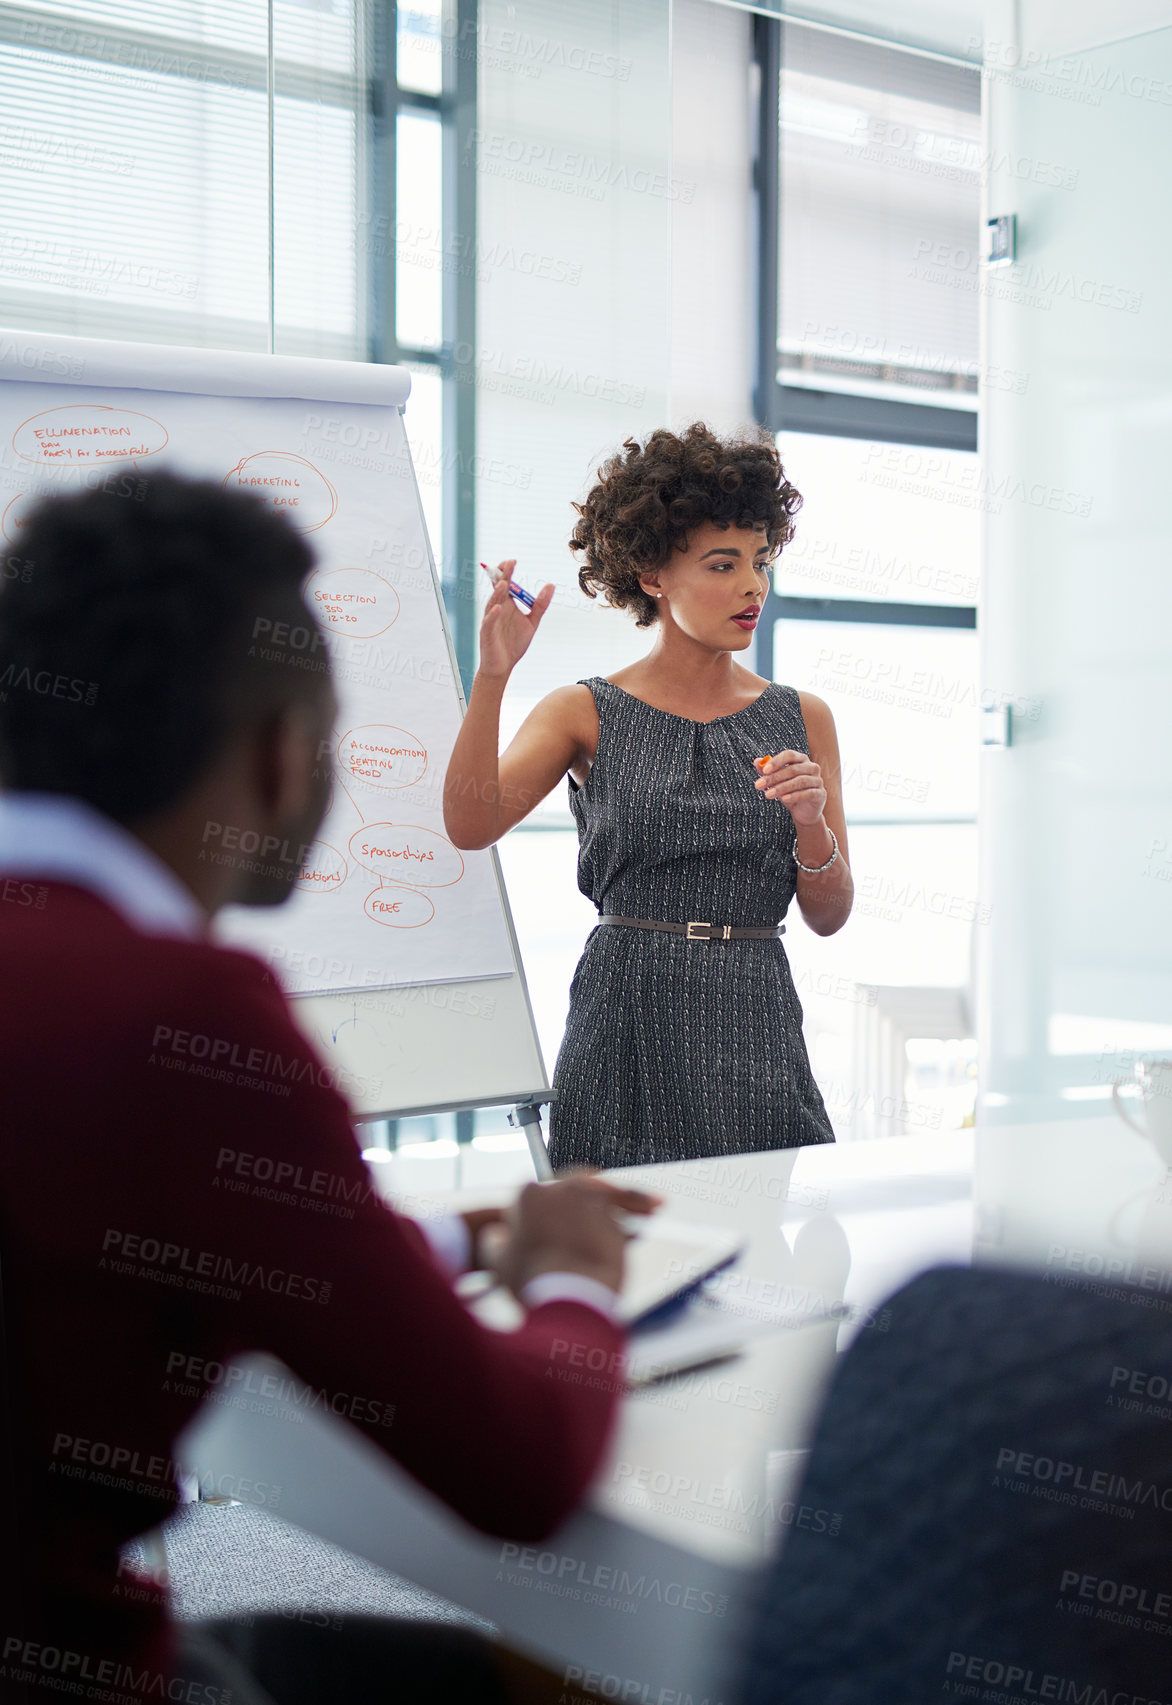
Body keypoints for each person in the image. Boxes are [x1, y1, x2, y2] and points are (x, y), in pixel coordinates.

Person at [0, 471, 657, 1705]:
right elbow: (515, 1474)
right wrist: (576, 1276)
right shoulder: (176, 1016)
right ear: (274, 751)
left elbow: (99, 1231)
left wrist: (439, 1233)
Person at [444, 423, 853, 1171]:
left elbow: (828, 915)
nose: (752, 586)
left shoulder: (804, 716)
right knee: (621, 1258)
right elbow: (471, 825)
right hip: (627, 1012)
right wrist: (494, 675)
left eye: (760, 562)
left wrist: (811, 824)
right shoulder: (584, 710)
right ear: (653, 573)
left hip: (754, 1012)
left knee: (770, 1257)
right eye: (723, 564)